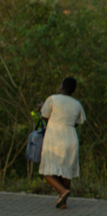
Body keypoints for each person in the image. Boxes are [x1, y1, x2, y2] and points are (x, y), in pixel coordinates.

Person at [39, 77, 86, 209]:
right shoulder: (77, 104)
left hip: (55, 137)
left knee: (46, 171)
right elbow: (77, 123)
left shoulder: (53, 99)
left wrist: (42, 107)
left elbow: (44, 116)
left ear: (62, 87)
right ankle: (62, 202)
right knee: (66, 172)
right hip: (71, 138)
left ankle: (63, 191)